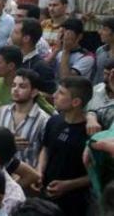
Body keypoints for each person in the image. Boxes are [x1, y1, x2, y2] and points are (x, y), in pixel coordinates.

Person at [37, 76, 93, 215]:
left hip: (73, 202)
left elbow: (95, 175)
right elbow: (45, 148)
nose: (54, 96)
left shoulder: (90, 133)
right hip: (46, 194)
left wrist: (68, 185)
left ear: (76, 102)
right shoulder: (54, 121)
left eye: (61, 93)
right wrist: (39, 172)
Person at [0, 68, 50, 167]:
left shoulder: (43, 120)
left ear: (34, 92)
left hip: (27, 175)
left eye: (22, 86)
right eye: (14, 85)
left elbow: (46, 151)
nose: (15, 89)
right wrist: (7, 142)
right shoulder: (2, 112)